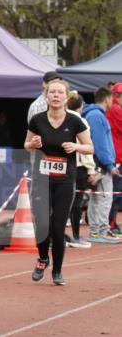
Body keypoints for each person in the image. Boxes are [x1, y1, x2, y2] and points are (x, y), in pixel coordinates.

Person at [25, 78, 94, 284]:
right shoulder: (37, 120)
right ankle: (43, 258)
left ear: (66, 97)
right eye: (52, 92)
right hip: (41, 179)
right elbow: (26, 144)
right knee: (42, 224)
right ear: (46, 96)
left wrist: (76, 147)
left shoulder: (75, 121)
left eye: (59, 93)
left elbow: (90, 147)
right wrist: (34, 143)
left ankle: (57, 271)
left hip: (64, 180)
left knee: (57, 227)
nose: (55, 96)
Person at [83, 87, 120, 243]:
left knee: (97, 198)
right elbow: (100, 144)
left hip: (96, 164)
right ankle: (101, 231)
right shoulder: (97, 116)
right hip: (101, 165)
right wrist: (109, 164)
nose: (113, 101)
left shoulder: (94, 115)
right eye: (112, 98)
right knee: (104, 198)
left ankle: (96, 231)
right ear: (107, 98)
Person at [64, 93, 95, 249]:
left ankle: (60, 235)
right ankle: (75, 235)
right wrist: (91, 169)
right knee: (76, 202)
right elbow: (87, 146)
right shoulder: (81, 121)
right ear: (80, 106)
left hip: (64, 165)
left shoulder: (62, 118)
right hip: (79, 166)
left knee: (61, 202)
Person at [105, 82, 122, 234]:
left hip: (117, 154)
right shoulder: (116, 109)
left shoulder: (115, 108)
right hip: (117, 156)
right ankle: (111, 224)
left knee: (116, 192)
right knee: (115, 192)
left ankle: (112, 223)